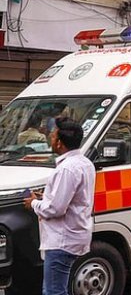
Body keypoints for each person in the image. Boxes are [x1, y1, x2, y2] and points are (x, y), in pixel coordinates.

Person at [24, 118, 95, 295]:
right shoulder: (85, 163)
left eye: (53, 135)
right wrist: (46, 197)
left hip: (62, 241)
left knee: (53, 291)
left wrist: (33, 203)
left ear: (59, 143)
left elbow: (55, 209)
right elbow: (72, 198)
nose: (50, 138)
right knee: (59, 288)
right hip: (74, 235)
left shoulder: (66, 169)